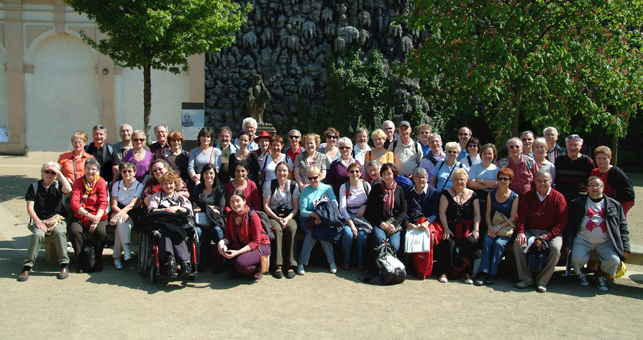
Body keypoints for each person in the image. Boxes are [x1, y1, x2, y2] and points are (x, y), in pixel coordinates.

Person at [564, 177, 629, 291]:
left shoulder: (615, 205)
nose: (595, 188)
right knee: (577, 258)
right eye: (591, 185)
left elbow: (623, 227)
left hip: (606, 241)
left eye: (598, 185)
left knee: (614, 260)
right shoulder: (577, 203)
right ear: (587, 188)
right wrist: (568, 243)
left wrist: (626, 247)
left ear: (603, 188)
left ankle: (600, 274)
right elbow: (570, 225)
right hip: (583, 239)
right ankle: (581, 273)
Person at [513, 170, 567, 293]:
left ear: (551, 181)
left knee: (555, 249)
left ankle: (542, 280)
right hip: (530, 231)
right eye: (539, 181)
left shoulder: (559, 198)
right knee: (519, 244)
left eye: (545, 181)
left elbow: (561, 222)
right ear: (535, 182)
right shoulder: (528, 195)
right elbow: (521, 216)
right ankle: (526, 278)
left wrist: (549, 236)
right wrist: (521, 232)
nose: (542, 183)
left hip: (552, 232)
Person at [18, 162, 72, 281]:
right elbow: (30, 208)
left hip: (57, 219)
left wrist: (60, 174)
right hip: (40, 219)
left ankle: (64, 265)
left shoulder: (58, 185)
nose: (49, 174)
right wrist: (38, 222)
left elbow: (68, 189)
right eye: (47, 171)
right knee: (37, 234)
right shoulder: (34, 186)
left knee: (59, 232)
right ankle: (27, 266)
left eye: (52, 172)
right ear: (42, 172)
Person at [474, 168, 519, 286]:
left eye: (506, 179)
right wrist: (490, 227)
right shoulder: (491, 193)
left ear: (510, 180)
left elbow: (513, 217)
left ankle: (492, 273)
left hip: (505, 229)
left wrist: (497, 228)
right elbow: (488, 213)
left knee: (499, 244)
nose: (503, 181)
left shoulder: (514, 197)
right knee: (488, 242)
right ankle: (483, 272)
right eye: (500, 179)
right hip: (492, 226)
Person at [436, 168, 480, 284]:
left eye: (462, 179)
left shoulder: (473, 195)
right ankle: (445, 272)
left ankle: (466, 272)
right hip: (450, 227)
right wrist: (446, 228)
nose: (459, 182)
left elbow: (477, 214)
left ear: (466, 180)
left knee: (471, 241)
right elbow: (442, 212)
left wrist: (476, 229)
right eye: (456, 180)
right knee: (448, 241)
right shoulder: (446, 194)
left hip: (467, 228)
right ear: (453, 180)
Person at [147, 171, 194, 276]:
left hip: (178, 226)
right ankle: (170, 261)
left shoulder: (181, 199)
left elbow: (189, 212)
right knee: (166, 234)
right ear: (162, 185)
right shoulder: (157, 197)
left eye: (171, 183)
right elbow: (150, 210)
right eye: (165, 184)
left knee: (179, 234)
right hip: (163, 225)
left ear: (175, 184)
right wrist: (165, 210)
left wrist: (177, 208)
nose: (168, 186)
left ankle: (184, 262)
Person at [217, 189, 271, 279]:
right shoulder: (231, 215)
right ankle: (237, 268)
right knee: (217, 250)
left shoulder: (252, 216)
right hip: (242, 243)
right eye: (232, 202)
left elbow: (255, 242)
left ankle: (256, 270)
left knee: (240, 263)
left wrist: (237, 252)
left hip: (260, 246)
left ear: (244, 201)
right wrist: (221, 242)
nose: (235, 204)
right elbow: (228, 235)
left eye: (238, 201)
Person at [68, 158, 109, 273]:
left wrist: (95, 220)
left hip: (98, 215)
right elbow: (74, 203)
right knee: (74, 231)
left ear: (98, 170)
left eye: (93, 169)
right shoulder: (78, 182)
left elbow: (103, 202)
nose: (90, 172)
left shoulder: (100, 181)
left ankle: (97, 260)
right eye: (88, 168)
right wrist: (89, 216)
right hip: (81, 214)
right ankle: (82, 261)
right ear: (84, 169)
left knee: (101, 232)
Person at [296, 166, 339, 275]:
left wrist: (322, 215)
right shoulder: (305, 191)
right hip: (308, 219)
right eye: (310, 178)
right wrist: (315, 215)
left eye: (315, 177)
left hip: (324, 219)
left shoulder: (327, 188)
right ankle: (301, 263)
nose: (313, 180)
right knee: (313, 233)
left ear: (320, 176)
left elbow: (334, 203)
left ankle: (331, 262)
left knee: (321, 232)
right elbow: (303, 211)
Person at [262, 162, 300, 278]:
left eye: (284, 170)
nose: (282, 173)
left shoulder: (293, 185)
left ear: (288, 172)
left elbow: (296, 207)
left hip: (289, 215)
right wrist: (277, 218)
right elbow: (266, 206)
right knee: (276, 230)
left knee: (292, 228)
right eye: (279, 170)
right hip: (274, 215)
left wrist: (287, 218)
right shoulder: (270, 184)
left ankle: (291, 264)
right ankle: (277, 264)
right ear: (275, 172)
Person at [190, 163, 227, 272]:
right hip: (200, 221)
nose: (208, 176)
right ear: (202, 175)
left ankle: (221, 261)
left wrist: (203, 207)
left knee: (217, 231)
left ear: (215, 174)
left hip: (215, 221)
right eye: (206, 173)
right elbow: (193, 207)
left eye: (211, 173)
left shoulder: (220, 189)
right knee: (197, 232)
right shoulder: (197, 189)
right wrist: (210, 208)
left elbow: (221, 208)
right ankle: (199, 262)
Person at [365, 163, 407, 253]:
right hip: (380, 222)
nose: (386, 176)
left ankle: (392, 266)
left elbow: (403, 210)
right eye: (384, 174)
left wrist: (395, 224)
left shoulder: (399, 189)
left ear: (394, 174)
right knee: (380, 240)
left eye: (389, 173)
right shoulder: (376, 189)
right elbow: (370, 208)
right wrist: (380, 223)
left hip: (394, 223)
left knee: (395, 245)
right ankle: (379, 265)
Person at [109, 162, 143, 269]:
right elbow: (113, 204)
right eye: (124, 171)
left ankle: (117, 258)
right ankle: (126, 251)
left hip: (134, 212)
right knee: (121, 221)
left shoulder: (139, 185)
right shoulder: (116, 185)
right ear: (121, 173)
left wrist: (117, 215)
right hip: (119, 209)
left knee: (119, 221)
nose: (127, 173)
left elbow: (132, 204)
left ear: (134, 172)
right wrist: (121, 214)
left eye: (130, 171)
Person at [339, 163, 372, 271]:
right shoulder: (344, 187)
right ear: (348, 173)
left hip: (363, 218)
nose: (354, 174)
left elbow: (372, 203)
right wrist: (352, 225)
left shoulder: (366, 186)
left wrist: (365, 207)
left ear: (361, 173)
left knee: (362, 236)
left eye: (357, 171)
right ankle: (346, 260)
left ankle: (361, 261)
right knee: (348, 234)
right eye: (352, 171)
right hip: (349, 217)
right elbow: (342, 208)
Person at [590, 146, 635, 216]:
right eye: (599, 158)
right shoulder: (594, 172)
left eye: (604, 158)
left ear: (610, 159)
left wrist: (619, 208)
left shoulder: (616, 172)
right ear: (595, 158)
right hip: (599, 204)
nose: (601, 161)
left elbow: (628, 192)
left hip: (615, 204)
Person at [466, 143, 499, 236]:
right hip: (477, 198)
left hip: (491, 199)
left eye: (490, 153)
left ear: (494, 155)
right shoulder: (475, 167)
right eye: (484, 153)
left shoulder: (496, 169)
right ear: (481, 155)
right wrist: (489, 184)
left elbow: (497, 184)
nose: (487, 156)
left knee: (487, 222)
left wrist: (481, 180)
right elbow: (471, 184)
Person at [555, 134, 596, 203]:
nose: (572, 147)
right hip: (562, 198)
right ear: (566, 146)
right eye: (570, 144)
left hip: (581, 198)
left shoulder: (587, 161)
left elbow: (592, 179)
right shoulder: (560, 160)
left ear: (580, 146)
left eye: (575, 145)